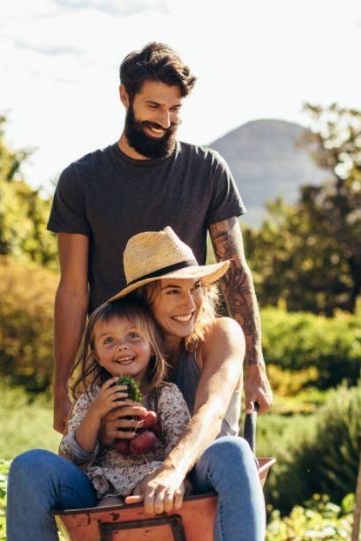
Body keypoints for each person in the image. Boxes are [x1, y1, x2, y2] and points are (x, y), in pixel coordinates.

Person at [8, 227, 267, 541]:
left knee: (234, 450)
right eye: (173, 291)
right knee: (29, 467)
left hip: (199, 478)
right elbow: (75, 445)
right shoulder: (117, 355)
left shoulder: (219, 334)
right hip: (111, 486)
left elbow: (210, 411)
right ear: (146, 298)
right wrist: (103, 430)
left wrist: (172, 469)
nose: (191, 303)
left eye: (196, 288)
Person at [48, 41, 272, 439]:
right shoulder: (81, 180)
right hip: (117, 359)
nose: (165, 120)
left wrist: (254, 365)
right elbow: (72, 291)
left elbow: (236, 273)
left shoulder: (207, 170)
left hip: (191, 354)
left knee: (210, 462)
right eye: (153, 106)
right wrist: (62, 385)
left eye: (175, 109)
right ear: (124, 96)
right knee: (117, 483)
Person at [58, 297, 190, 504]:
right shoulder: (92, 398)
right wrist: (95, 413)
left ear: (152, 346)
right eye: (109, 340)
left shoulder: (165, 394)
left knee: (147, 492)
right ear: (97, 356)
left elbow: (179, 443)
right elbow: (73, 455)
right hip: (107, 485)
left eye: (133, 335)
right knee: (106, 513)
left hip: (153, 477)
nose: (122, 346)